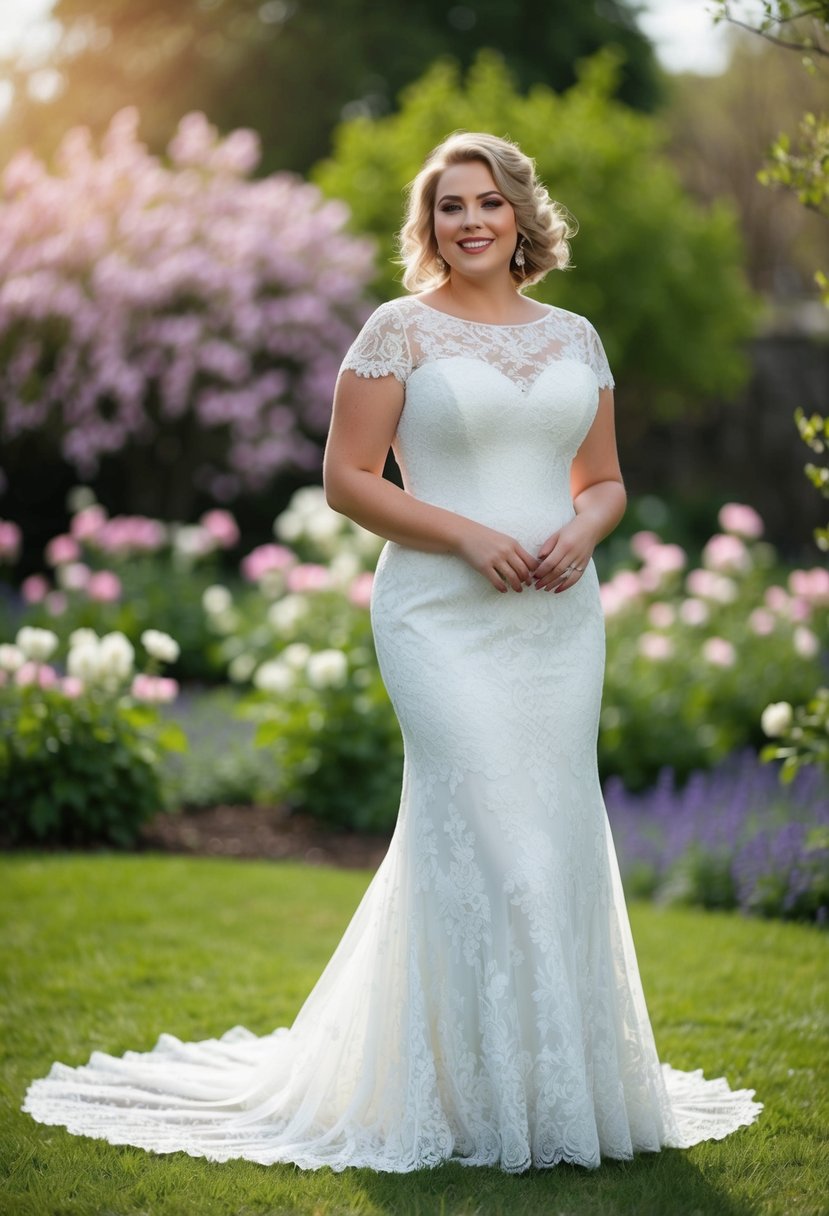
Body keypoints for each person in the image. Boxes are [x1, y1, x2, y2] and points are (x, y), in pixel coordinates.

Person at [22, 131, 762, 1173]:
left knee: (547, 845)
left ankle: (549, 1096)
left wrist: (582, 532)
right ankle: (458, 1102)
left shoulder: (575, 336)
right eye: (450, 205)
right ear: (430, 226)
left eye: (488, 202)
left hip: (556, 618)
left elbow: (603, 479)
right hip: (438, 615)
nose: (469, 220)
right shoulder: (397, 330)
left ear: (520, 219)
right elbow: (347, 477)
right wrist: (465, 532)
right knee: (486, 844)